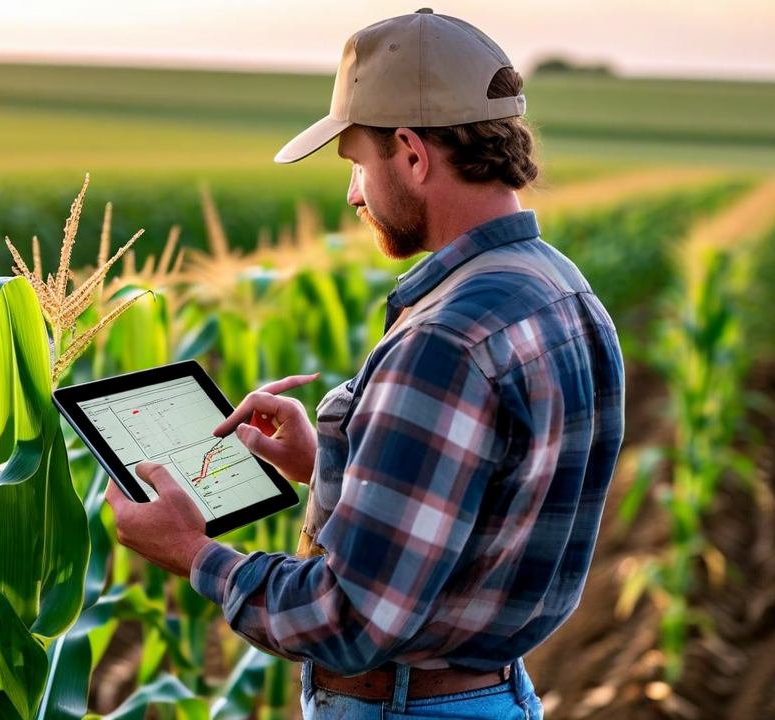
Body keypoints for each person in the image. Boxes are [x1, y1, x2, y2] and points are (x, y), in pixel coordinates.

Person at [105, 9, 625, 719]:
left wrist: (194, 552)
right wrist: (326, 461)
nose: (353, 193)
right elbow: (482, 503)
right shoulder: (561, 288)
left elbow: (349, 620)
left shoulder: (446, 339)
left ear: (411, 153)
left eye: (356, 163)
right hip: (496, 696)